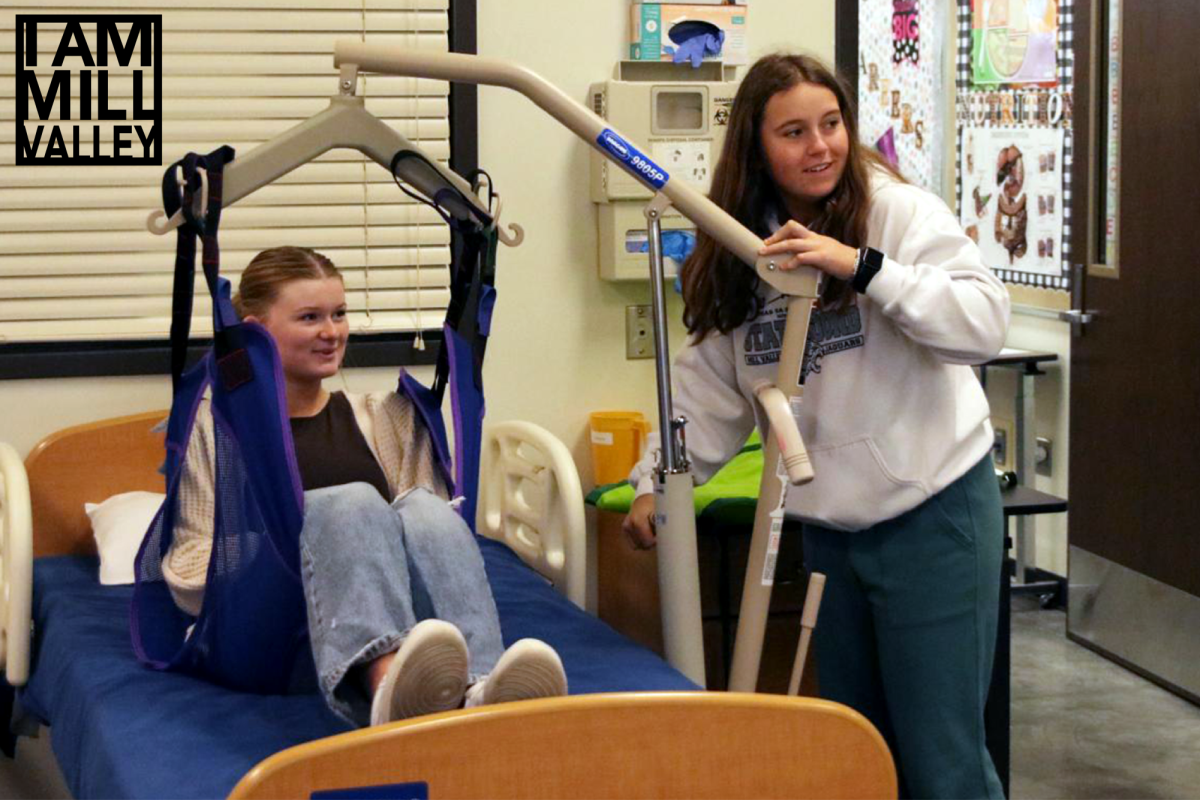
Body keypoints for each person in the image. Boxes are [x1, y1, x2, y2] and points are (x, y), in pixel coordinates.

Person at [622, 54, 1009, 800]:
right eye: (794, 131)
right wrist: (653, 485)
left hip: (931, 515)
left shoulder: (896, 212)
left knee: (942, 763)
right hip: (830, 531)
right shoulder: (738, 248)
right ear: (756, 147)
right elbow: (707, 393)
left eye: (830, 124)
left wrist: (863, 267)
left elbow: (982, 325)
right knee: (855, 759)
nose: (820, 146)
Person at [162, 246, 567, 727]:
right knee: (350, 502)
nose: (331, 332)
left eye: (339, 314)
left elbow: (432, 549)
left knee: (425, 509)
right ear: (256, 331)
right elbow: (187, 569)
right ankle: (384, 682)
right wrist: (298, 549)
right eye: (309, 317)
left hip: (416, 637)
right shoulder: (216, 431)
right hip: (277, 637)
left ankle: (476, 685)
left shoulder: (386, 417)